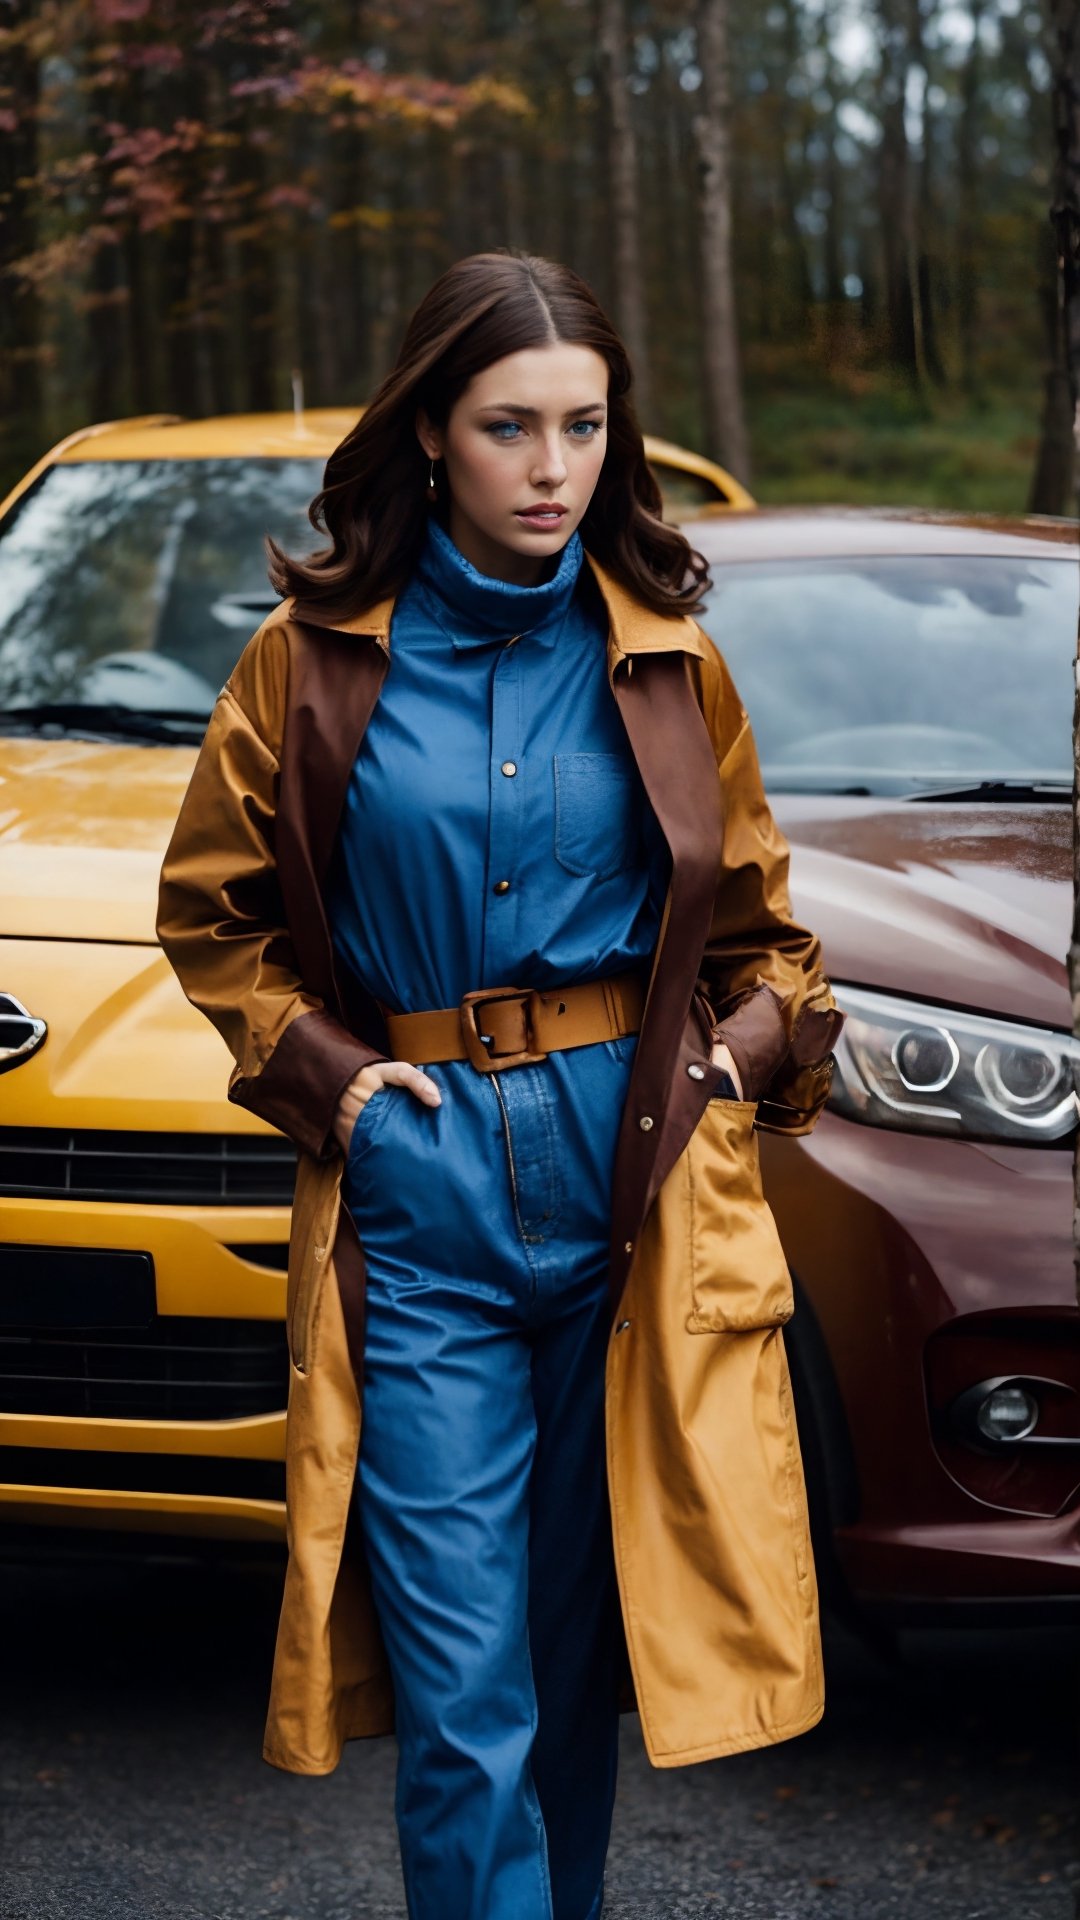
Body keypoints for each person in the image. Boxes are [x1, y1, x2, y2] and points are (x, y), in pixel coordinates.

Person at [156, 248, 845, 1920]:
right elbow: (212, 917)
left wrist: (724, 1071)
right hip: (428, 1197)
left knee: (567, 1665)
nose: (553, 469)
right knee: (467, 1696)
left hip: (636, 1196)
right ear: (430, 438)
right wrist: (340, 1089)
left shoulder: (673, 662)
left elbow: (772, 947)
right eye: (510, 427)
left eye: (586, 427)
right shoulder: (311, 665)